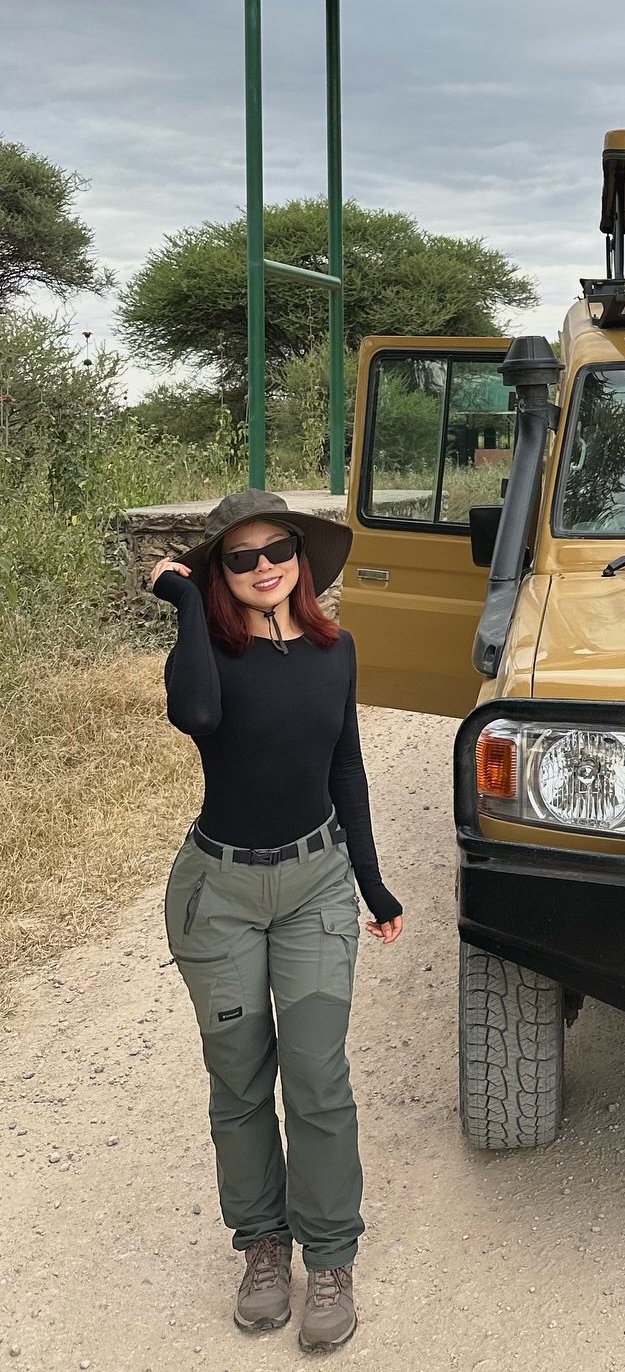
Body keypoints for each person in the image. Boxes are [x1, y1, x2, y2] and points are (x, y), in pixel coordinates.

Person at [150, 489, 402, 1352]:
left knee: (317, 1075)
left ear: (301, 555)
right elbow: (196, 715)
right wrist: (185, 602)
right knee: (239, 1077)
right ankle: (262, 1247)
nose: (264, 567)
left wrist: (373, 885)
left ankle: (329, 1259)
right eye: (240, 557)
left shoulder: (337, 652)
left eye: (278, 550)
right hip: (218, 894)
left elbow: (346, 768)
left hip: (315, 887)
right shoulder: (208, 653)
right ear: (218, 573)